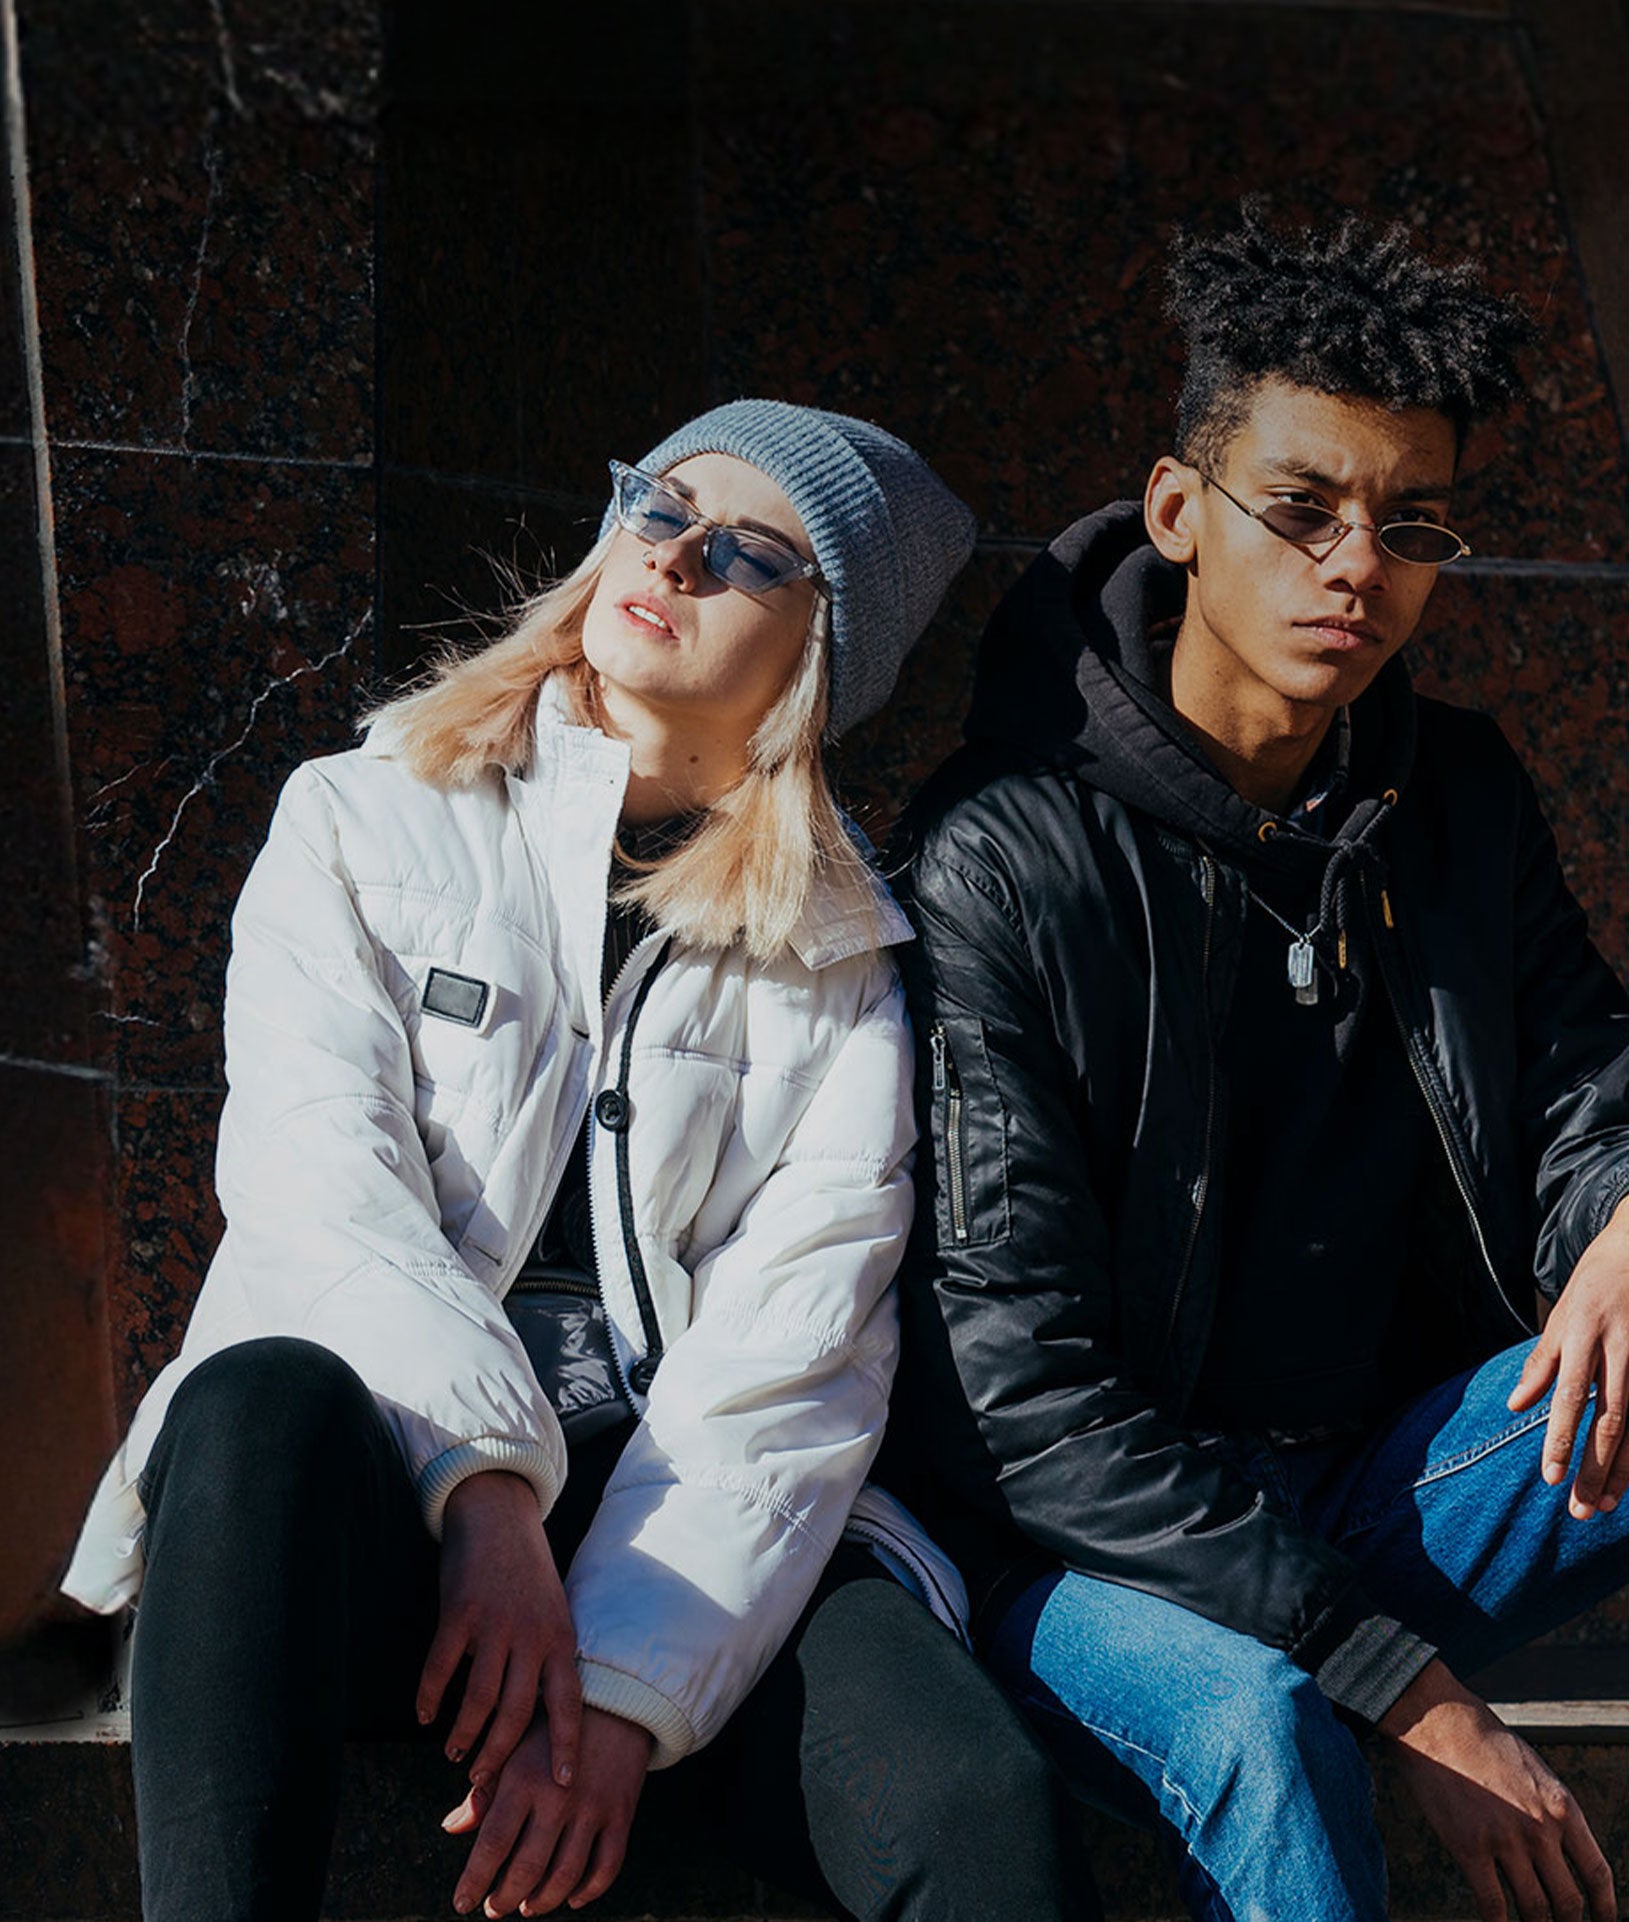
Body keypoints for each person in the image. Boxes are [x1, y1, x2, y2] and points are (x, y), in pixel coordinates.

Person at [62, 399, 1096, 1922]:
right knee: (253, 1396)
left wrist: (616, 1691)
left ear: (820, 653)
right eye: (656, 504)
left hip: (681, 1528)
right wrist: (484, 1489)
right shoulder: (358, 818)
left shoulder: (839, 959)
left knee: (975, 1797)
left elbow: (794, 1357)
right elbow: (317, 1190)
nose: (671, 555)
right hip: (369, 1497)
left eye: (744, 553)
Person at [890, 204, 1629, 1922]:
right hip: (1090, 1556)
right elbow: (1019, 1402)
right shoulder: (998, 854)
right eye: (1301, 510)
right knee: (1264, 1721)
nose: (1355, 566)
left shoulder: (1451, 795)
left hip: (1385, 1488)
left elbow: (1579, 1087)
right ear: (1177, 510)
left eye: (1409, 523)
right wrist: (1407, 1686)